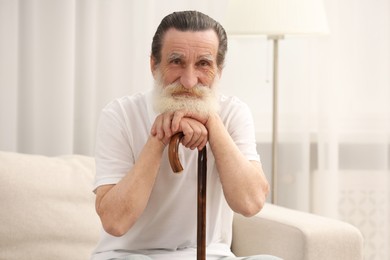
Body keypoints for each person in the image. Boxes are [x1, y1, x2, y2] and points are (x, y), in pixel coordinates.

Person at [91, 10, 281, 260]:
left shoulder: (234, 112)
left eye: (203, 64)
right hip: (129, 255)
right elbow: (115, 222)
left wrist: (212, 123)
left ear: (219, 70)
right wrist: (159, 137)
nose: (189, 81)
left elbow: (250, 203)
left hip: (210, 255)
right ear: (154, 65)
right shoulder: (120, 114)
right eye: (176, 61)